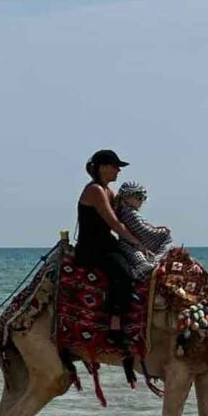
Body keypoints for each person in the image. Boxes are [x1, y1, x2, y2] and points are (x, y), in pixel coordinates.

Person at [76, 149, 151, 347]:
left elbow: (128, 214)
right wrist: (137, 243)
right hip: (93, 248)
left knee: (140, 267)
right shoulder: (95, 191)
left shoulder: (109, 191)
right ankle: (114, 328)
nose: (119, 170)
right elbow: (115, 224)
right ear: (103, 168)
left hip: (108, 245)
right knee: (124, 274)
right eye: (115, 166)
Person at [112, 181, 172, 281]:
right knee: (166, 241)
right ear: (127, 196)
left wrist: (156, 228)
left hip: (129, 245)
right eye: (139, 197)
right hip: (131, 246)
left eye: (143, 198)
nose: (142, 200)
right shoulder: (130, 213)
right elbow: (143, 230)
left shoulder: (124, 211)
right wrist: (163, 232)